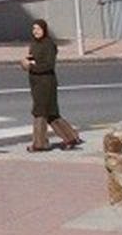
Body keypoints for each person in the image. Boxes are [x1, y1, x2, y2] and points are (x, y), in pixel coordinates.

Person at [22, 20, 81, 151]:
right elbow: (32, 59)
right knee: (52, 114)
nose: (36, 31)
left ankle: (39, 143)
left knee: (40, 113)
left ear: (44, 30)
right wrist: (25, 63)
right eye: (34, 29)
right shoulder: (34, 44)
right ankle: (71, 137)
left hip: (46, 83)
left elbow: (48, 65)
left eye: (38, 29)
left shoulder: (49, 45)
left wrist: (31, 66)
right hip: (36, 83)